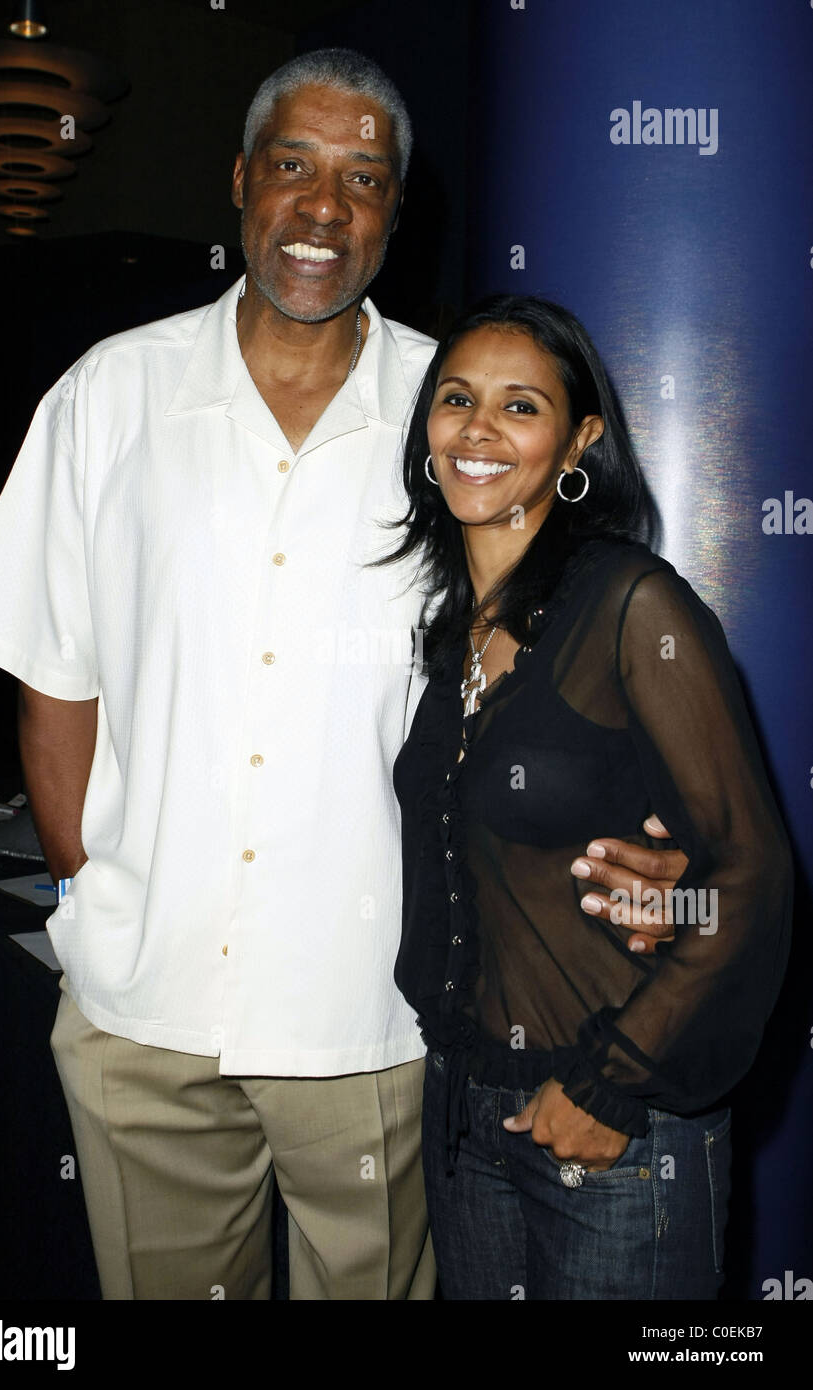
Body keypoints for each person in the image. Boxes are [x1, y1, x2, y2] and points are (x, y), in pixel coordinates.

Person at [0, 54, 684, 1300]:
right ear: (240, 181)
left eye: (363, 179)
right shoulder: (108, 397)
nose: (323, 208)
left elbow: (559, 674)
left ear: (397, 213)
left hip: (370, 1021)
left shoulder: (455, 417)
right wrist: (89, 886)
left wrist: (645, 841)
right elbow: (52, 677)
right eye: (294, 165)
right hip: (142, 1002)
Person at [388, 294, 793, 1300]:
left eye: (519, 406)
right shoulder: (450, 634)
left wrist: (608, 1085)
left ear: (580, 439)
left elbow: (751, 873)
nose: (478, 428)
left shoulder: (630, 604)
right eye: (455, 399)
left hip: (609, 1133)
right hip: (465, 1114)